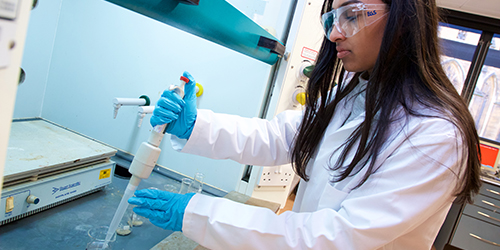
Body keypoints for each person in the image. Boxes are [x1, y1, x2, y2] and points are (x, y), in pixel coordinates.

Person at [128, 0, 482, 248]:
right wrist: (195, 127)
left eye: (352, 14)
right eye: (331, 19)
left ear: (405, 17)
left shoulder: (437, 134)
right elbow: (282, 136)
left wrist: (199, 212)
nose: (334, 34)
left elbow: (337, 238)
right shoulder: (356, 90)